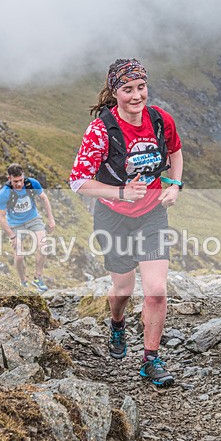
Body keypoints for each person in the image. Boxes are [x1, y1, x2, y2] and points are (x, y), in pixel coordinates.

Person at [69, 58, 184, 386]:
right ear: (115, 92)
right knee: (123, 288)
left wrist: (174, 185)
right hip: (113, 217)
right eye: (128, 89)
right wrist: (119, 192)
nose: (137, 95)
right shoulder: (101, 129)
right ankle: (117, 324)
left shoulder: (160, 120)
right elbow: (78, 181)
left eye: (141, 87)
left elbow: (175, 151)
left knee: (157, 290)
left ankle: (150, 359)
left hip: (151, 214)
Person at [0, 163, 56, 292]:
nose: (19, 184)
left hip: (33, 218)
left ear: (24, 176)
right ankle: (23, 282)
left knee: (44, 246)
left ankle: (37, 278)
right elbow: (0, 217)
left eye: (21, 180)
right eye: (15, 181)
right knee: (19, 256)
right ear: (9, 179)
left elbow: (44, 198)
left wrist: (51, 219)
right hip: (15, 224)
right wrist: (12, 236)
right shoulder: (4, 193)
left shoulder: (32, 183)